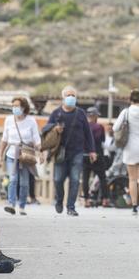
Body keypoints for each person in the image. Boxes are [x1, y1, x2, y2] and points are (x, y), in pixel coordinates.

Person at [43, 86, 98, 216]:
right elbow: (45, 129)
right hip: (60, 152)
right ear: (63, 98)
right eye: (68, 95)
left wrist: (92, 150)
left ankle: (71, 207)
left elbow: (87, 132)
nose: (71, 98)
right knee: (58, 179)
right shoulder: (56, 113)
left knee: (74, 180)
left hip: (77, 152)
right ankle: (59, 200)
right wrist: (55, 128)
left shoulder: (80, 114)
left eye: (73, 95)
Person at [0, 96, 42, 216]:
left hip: (25, 155)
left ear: (24, 107)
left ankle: (22, 205)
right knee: (13, 179)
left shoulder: (31, 120)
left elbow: (36, 139)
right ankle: (11, 204)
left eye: (17, 106)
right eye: (13, 106)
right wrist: (0, 157)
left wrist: (41, 153)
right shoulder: (8, 120)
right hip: (12, 154)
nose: (15, 108)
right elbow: (4, 139)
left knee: (24, 182)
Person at [82, 107, 109, 207]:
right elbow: (102, 140)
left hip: (85, 155)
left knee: (85, 178)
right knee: (102, 178)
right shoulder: (99, 127)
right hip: (97, 154)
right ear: (95, 116)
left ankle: (86, 200)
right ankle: (105, 199)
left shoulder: (82, 127)